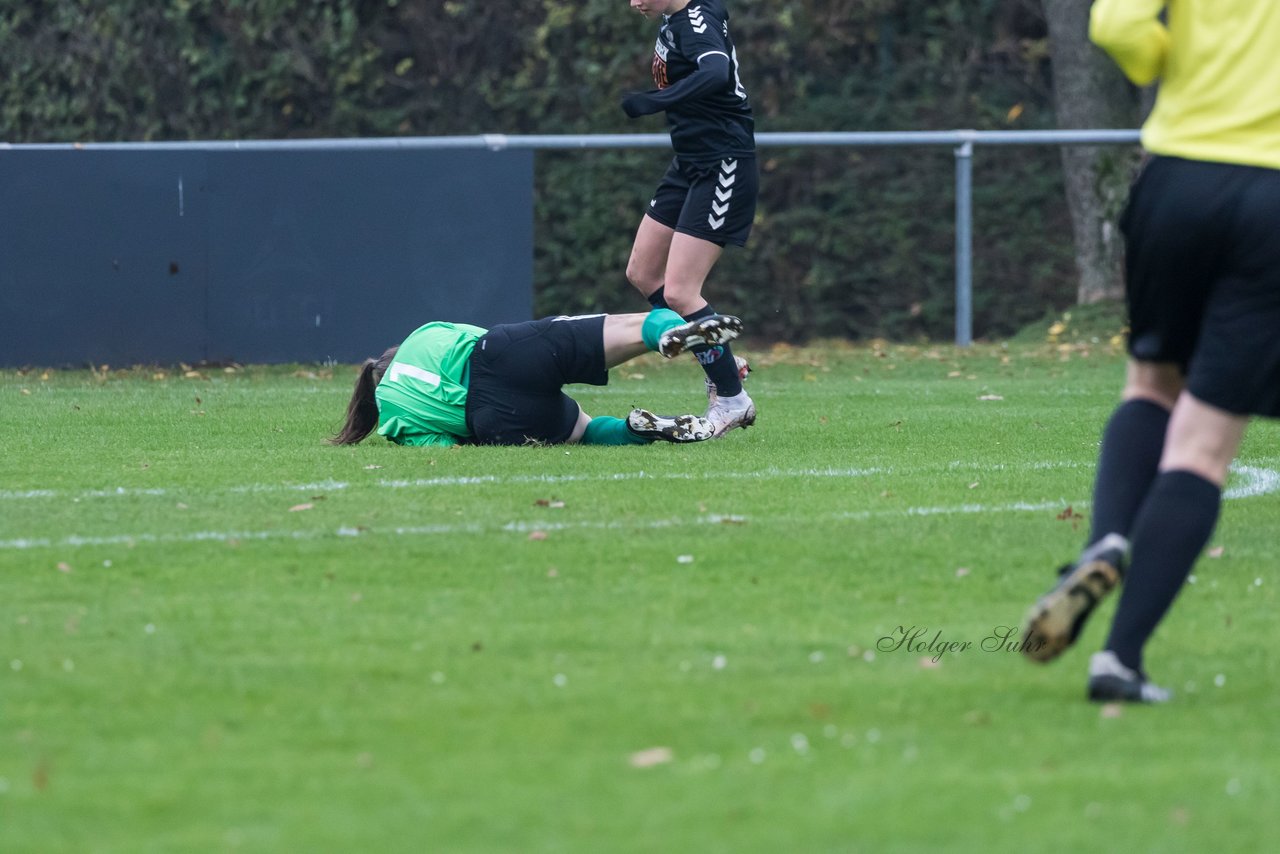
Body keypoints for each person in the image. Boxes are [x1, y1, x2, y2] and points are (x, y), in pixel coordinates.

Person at [1020, 0, 1280, 703]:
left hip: (1177, 180)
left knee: (1150, 387)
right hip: (1272, 196)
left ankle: (1106, 543)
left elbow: (1116, 25)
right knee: (1203, 448)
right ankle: (1119, 661)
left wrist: (1176, 68)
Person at [620, 0, 758, 438]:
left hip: (723, 164)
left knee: (680, 292)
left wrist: (656, 101)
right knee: (643, 272)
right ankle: (717, 357)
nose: (633, 2)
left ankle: (733, 400)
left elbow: (716, 73)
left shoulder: (694, 23)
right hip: (690, 164)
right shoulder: (678, 17)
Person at [330, 309, 744, 448]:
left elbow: (445, 444)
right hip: (499, 355)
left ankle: (633, 429)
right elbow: (470, 336)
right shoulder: (419, 337)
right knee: (629, 327)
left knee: (582, 431)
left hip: (492, 416)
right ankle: (663, 334)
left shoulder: (392, 418)